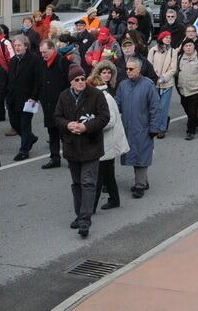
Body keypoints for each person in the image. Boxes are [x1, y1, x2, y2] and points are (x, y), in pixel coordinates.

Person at [54, 68, 109, 237]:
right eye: (76, 79)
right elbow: (57, 117)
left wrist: (86, 126)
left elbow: (104, 117)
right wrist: (67, 125)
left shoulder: (96, 95)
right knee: (77, 183)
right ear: (71, 82)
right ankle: (79, 215)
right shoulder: (64, 96)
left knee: (88, 182)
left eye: (82, 79)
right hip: (72, 146)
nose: (80, 82)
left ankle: (85, 219)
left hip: (91, 145)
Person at [116, 57, 159, 198]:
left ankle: (139, 185)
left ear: (139, 70)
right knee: (134, 155)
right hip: (128, 127)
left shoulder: (148, 85)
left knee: (141, 155)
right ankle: (143, 181)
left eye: (131, 69)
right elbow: (118, 105)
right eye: (126, 68)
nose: (127, 71)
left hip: (143, 127)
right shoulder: (123, 85)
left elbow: (154, 108)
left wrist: (154, 127)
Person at [88, 61, 127, 209]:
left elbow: (109, 121)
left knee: (99, 175)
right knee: (108, 173)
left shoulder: (104, 97)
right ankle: (115, 200)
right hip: (106, 140)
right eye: (103, 72)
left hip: (107, 141)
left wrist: (91, 127)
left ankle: (90, 207)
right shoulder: (102, 95)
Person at [35, 40, 72, 169]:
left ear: (52, 49)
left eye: (45, 52)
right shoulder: (42, 63)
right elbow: (39, 82)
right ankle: (54, 158)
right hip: (48, 105)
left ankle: (71, 158)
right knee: (52, 132)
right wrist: (37, 97)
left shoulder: (63, 62)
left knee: (65, 133)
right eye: (41, 52)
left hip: (62, 105)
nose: (43, 55)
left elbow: (71, 83)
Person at [5, 37, 39, 160]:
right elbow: (10, 78)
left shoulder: (34, 59)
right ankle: (30, 138)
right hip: (13, 98)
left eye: (19, 45)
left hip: (27, 99)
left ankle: (24, 150)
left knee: (25, 125)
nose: (17, 47)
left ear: (26, 46)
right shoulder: (14, 60)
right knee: (14, 122)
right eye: (15, 45)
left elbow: (37, 80)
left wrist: (34, 97)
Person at [174, 39, 198, 140]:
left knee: (192, 111)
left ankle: (190, 131)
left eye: (190, 45)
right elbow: (175, 72)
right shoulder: (179, 58)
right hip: (183, 90)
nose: (188, 48)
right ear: (183, 48)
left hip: (195, 90)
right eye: (186, 46)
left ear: (194, 47)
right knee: (187, 108)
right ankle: (195, 122)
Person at [147, 32, 177, 138]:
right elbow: (148, 65)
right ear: (161, 38)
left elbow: (173, 68)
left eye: (170, 37)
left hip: (167, 83)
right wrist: (155, 76)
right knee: (155, 107)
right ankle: (155, 125)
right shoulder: (153, 50)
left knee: (163, 107)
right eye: (166, 37)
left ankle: (162, 128)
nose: (168, 39)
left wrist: (164, 77)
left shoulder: (173, 52)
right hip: (154, 83)